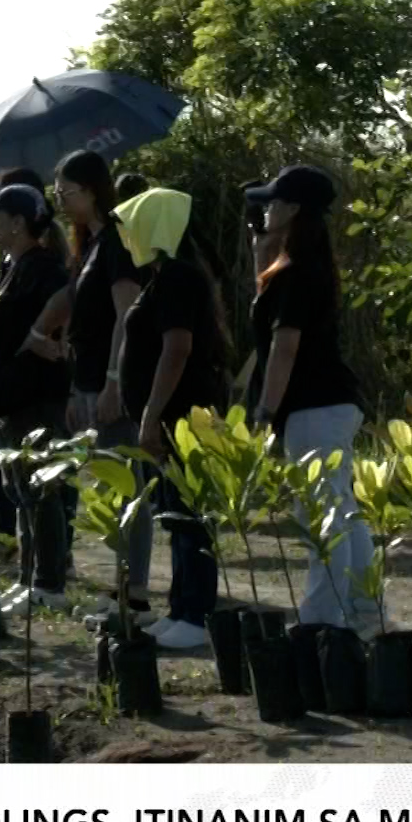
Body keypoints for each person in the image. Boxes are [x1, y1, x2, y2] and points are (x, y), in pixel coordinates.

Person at [243, 166, 377, 631]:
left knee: (321, 514)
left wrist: (265, 409)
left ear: (294, 209)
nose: (265, 209)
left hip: (312, 406)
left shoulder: (294, 274)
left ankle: (324, 617)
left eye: (273, 203)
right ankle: (363, 610)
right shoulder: (305, 266)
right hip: (332, 401)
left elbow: (284, 347)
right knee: (342, 510)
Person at [110, 188, 230, 650]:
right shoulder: (165, 277)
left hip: (182, 417)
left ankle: (196, 614)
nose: (125, 235)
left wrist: (151, 415)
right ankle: (181, 608)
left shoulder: (179, 277)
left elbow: (177, 349)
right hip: (170, 418)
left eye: (130, 224)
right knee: (176, 514)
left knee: (190, 515)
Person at [38, 150, 153, 629]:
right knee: (110, 489)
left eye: (67, 192)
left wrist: (112, 381)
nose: (62, 201)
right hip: (85, 383)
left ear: (92, 191)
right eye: (58, 193)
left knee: (129, 489)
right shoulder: (90, 243)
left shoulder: (119, 244)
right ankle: (121, 587)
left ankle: (137, 595)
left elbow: (127, 317)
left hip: (111, 386)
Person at [0, 184, 74, 616]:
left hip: (37, 397)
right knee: (20, 492)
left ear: (18, 222)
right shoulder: (13, 266)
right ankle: (31, 578)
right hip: (10, 398)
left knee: (41, 488)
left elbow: (69, 308)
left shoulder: (44, 268)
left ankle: (49, 584)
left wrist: (50, 342)